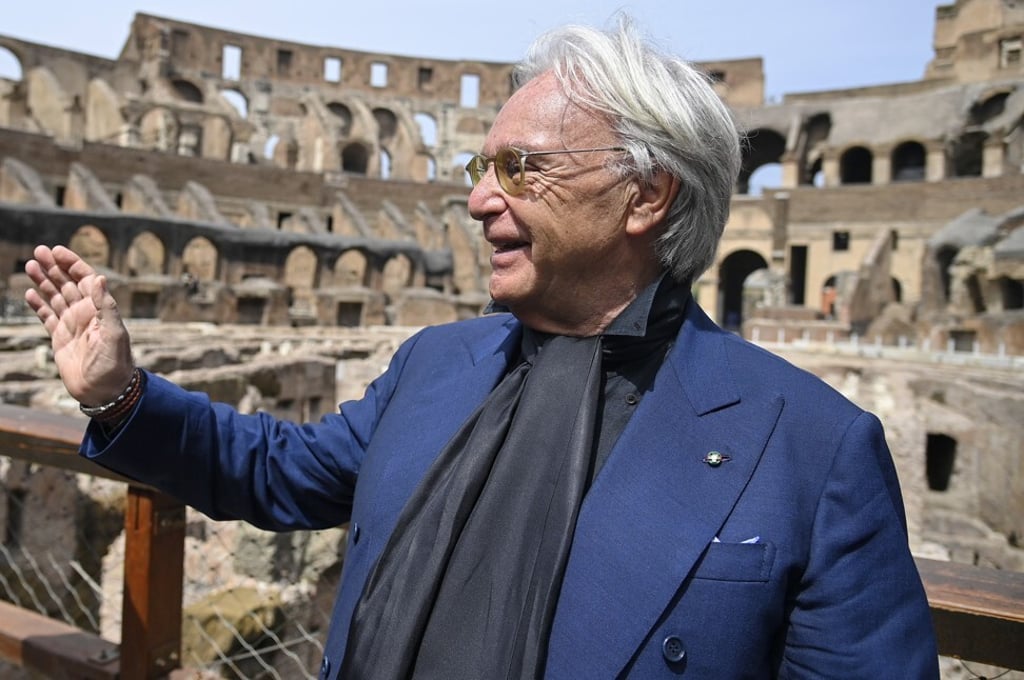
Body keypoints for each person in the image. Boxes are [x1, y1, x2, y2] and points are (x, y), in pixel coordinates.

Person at [24, 16, 938, 680]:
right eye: (480, 168)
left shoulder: (813, 449)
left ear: (645, 197)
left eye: (520, 168)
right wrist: (118, 393)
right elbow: (274, 470)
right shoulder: (437, 364)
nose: (477, 200)